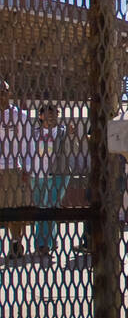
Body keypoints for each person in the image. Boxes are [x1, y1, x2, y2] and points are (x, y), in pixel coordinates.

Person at [30, 104, 72, 260]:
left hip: (59, 174)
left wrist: (71, 135)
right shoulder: (33, 133)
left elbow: (71, 149)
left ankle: (48, 241)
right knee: (41, 208)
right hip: (38, 175)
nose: (52, 116)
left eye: (55, 113)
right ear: (41, 116)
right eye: (48, 113)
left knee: (52, 206)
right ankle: (42, 243)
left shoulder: (63, 132)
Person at [0, 79, 30, 259]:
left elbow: (27, 145)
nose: (1, 94)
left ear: (9, 93)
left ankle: (16, 243)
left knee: (14, 209)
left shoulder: (20, 117)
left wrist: (26, 169)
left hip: (12, 169)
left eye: (4, 91)